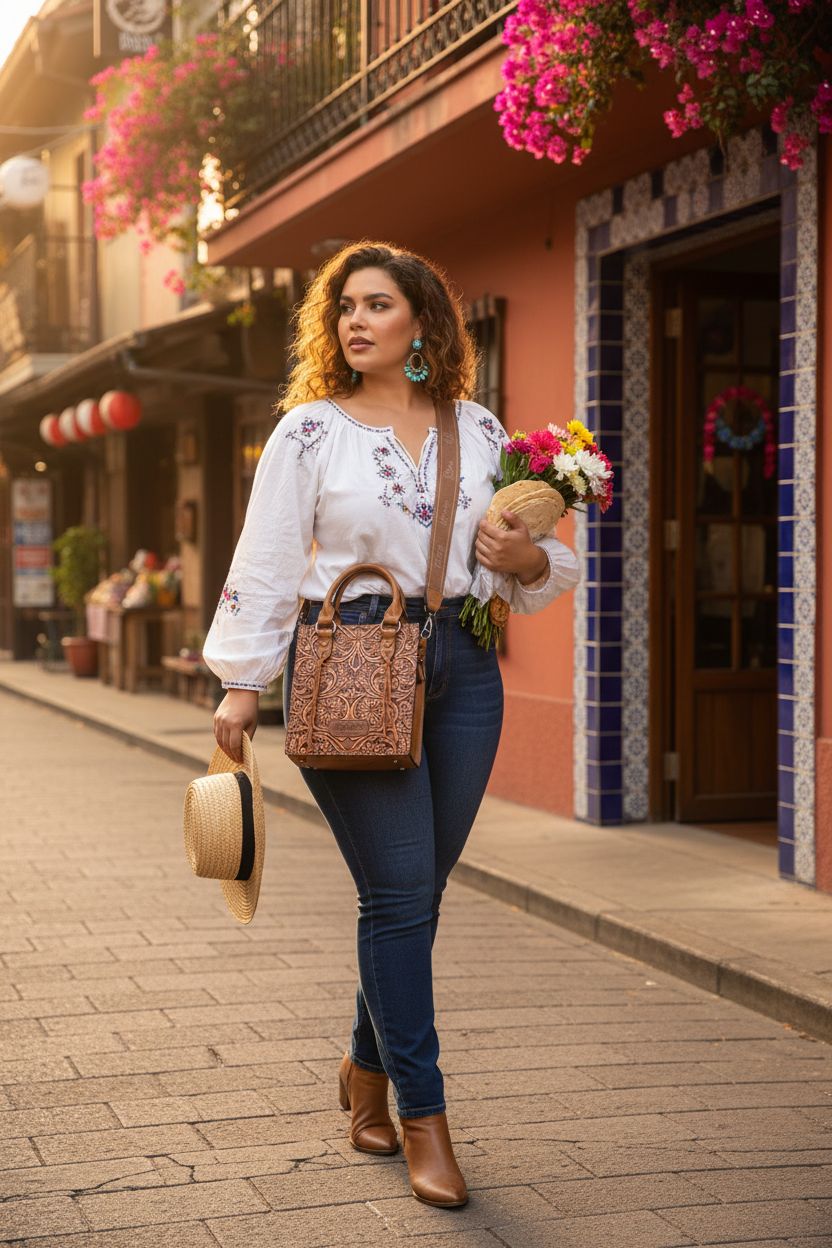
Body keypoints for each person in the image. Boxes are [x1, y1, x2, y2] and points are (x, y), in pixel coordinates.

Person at [202, 241, 579, 1208]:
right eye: (345, 308)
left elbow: (526, 573)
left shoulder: (479, 429)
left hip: (464, 668)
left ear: (423, 324)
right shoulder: (308, 433)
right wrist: (243, 683)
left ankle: (363, 1075)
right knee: (403, 896)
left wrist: (525, 559)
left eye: (378, 304)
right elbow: (271, 554)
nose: (355, 321)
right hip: (352, 664)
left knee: (416, 896)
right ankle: (426, 1117)